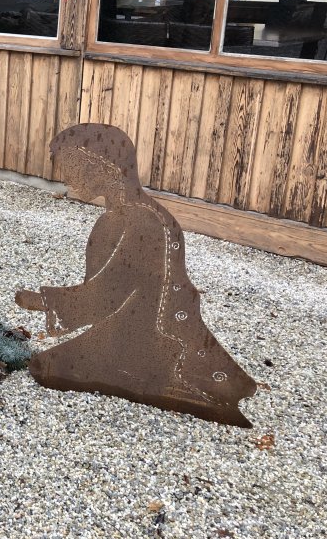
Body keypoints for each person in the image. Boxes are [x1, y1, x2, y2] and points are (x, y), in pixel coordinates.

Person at [15, 124, 257, 427]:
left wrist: (45, 302)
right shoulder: (115, 219)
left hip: (154, 333)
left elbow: (110, 292)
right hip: (123, 327)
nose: (67, 177)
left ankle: (175, 381)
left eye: (73, 166)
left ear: (103, 166)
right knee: (47, 366)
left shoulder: (145, 221)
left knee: (46, 367)